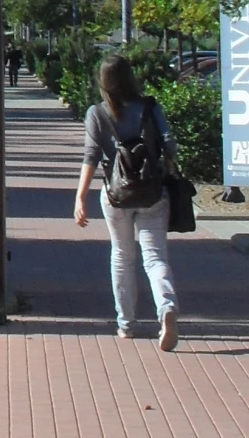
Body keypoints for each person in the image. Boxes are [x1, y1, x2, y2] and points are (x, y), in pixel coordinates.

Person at [72, 55, 179, 348]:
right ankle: (166, 307)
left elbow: (91, 156)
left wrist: (80, 197)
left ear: (103, 82)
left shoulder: (98, 112)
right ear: (131, 76)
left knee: (121, 256)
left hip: (115, 195)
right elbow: (170, 144)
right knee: (155, 258)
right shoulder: (150, 107)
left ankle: (126, 324)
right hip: (152, 193)